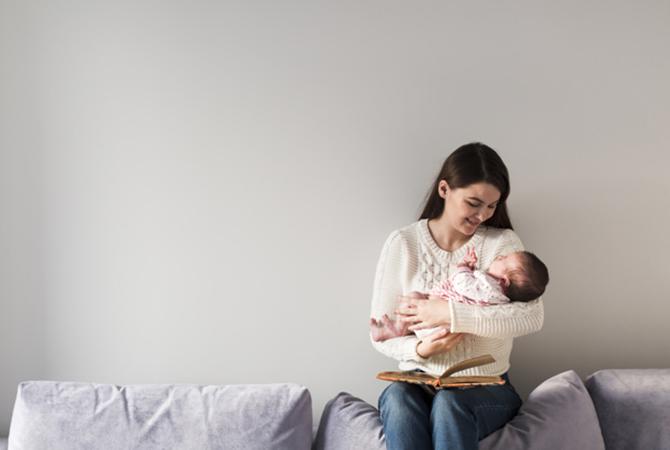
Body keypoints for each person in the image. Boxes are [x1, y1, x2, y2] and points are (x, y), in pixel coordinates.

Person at [370, 142, 544, 450]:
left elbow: (531, 316)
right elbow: (379, 334)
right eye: (474, 203)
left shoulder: (501, 244)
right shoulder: (403, 244)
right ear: (444, 189)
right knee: (397, 398)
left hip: (486, 386)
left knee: (451, 403)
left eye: (491, 206)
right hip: (418, 380)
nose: (483, 215)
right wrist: (421, 349)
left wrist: (447, 314)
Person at [370, 246, 549, 342]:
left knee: (415, 298)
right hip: (436, 335)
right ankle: (399, 329)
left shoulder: (490, 286)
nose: (499, 257)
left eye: (503, 259)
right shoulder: (495, 292)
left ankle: (398, 328)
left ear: (504, 281)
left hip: (439, 328)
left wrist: (464, 267)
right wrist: (418, 352)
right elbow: (472, 290)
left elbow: (463, 284)